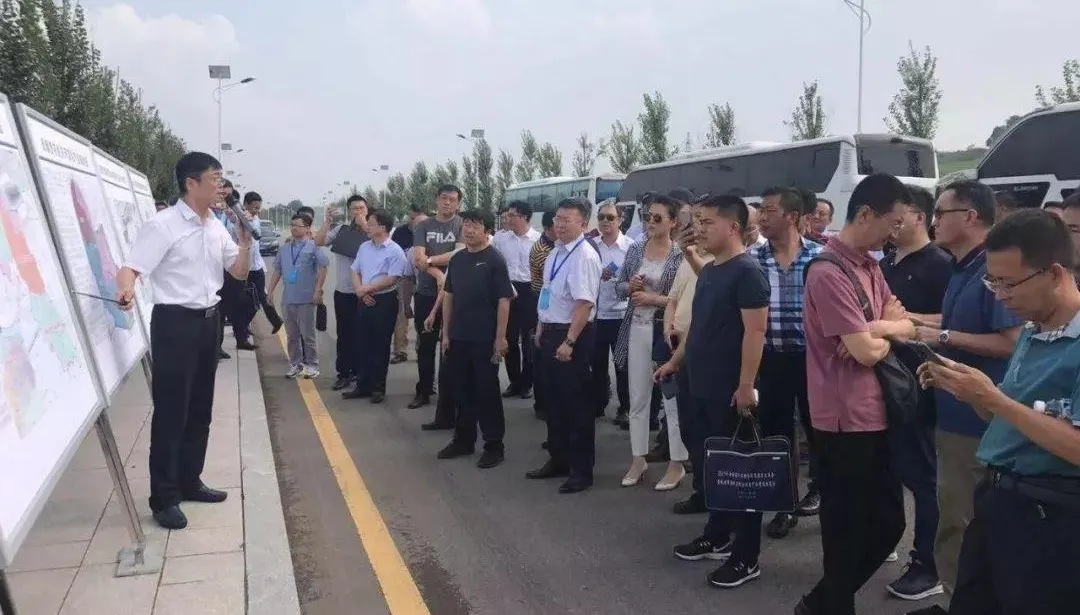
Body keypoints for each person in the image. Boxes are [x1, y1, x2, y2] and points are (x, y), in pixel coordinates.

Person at [918, 209, 1080, 615]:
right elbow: (1005, 420)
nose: (1000, 295)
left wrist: (994, 399)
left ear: (1054, 273)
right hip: (999, 501)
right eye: (992, 281)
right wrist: (968, 389)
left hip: (1049, 515)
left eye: (1009, 283)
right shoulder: (1035, 327)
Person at [796, 173, 915, 615]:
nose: (895, 233)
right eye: (893, 222)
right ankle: (832, 606)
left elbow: (903, 323)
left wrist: (879, 327)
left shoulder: (870, 266)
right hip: (842, 418)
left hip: (877, 411)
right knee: (844, 529)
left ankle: (819, 603)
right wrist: (884, 332)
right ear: (865, 214)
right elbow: (864, 352)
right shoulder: (828, 272)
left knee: (889, 522)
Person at [116, 152, 253, 530]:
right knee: (171, 412)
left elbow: (238, 272)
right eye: (214, 179)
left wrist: (244, 242)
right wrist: (125, 290)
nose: (221, 186)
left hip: (209, 323)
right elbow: (131, 268)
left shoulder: (216, 226)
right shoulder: (163, 225)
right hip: (175, 325)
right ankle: (164, 498)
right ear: (191, 183)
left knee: (199, 409)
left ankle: (190, 480)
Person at [912, 180, 1023, 600]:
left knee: (960, 522)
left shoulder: (991, 271)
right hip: (956, 413)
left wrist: (942, 337)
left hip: (975, 420)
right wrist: (918, 324)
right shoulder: (962, 266)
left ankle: (961, 601)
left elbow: (1010, 341)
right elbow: (959, 322)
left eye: (941, 213)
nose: (934, 222)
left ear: (971, 217)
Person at [655, 194, 769, 588]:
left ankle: (746, 556)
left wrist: (746, 385)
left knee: (739, 472)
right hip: (698, 383)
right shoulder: (712, 271)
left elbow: (755, 332)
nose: (699, 230)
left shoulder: (748, 272)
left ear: (733, 227)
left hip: (728, 389)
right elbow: (698, 328)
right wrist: (676, 362)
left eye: (707, 223)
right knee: (712, 467)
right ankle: (718, 534)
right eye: (698, 222)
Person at [877, 185, 952, 601]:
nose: (891, 223)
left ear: (919, 216)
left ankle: (928, 563)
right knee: (888, 467)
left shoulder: (941, 264)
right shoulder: (885, 262)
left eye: (898, 214)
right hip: (883, 380)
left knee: (924, 477)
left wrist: (900, 322)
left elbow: (952, 320)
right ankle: (885, 539)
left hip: (920, 382)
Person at [747, 187, 825, 541]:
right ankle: (784, 504)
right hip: (771, 358)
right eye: (761, 211)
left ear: (792, 216)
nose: (761, 217)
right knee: (777, 435)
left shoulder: (820, 258)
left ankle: (821, 490)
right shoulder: (753, 260)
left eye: (769, 210)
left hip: (814, 359)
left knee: (818, 429)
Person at [526, 197, 602, 494]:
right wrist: (541, 326)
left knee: (576, 405)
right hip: (550, 331)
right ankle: (558, 459)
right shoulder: (555, 252)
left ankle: (581, 470)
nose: (559, 224)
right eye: (557, 219)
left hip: (572, 336)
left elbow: (585, 303)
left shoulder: (584, 255)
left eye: (566, 220)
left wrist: (569, 341)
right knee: (553, 402)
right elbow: (548, 293)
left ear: (583, 224)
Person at [613, 194, 683, 489]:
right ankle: (638, 459)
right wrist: (629, 286)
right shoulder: (635, 249)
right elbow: (618, 288)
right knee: (638, 397)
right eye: (646, 216)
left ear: (673, 222)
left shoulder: (681, 255)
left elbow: (684, 299)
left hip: (665, 333)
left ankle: (677, 463)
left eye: (657, 218)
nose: (650, 222)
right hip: (636, 328)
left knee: (671, 401)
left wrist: (654, 299)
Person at [435, 209, 514, 469]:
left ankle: (494, 445)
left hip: (484, 339)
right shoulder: (458, 259)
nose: (468, 230)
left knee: (487, 392)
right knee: (461, 390)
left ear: (487, 231)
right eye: (466, 225)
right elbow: (449, 295)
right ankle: (463, 440)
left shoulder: (494, 260)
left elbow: (504, 300)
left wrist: (500, 338)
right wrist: (446, 333)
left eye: (475, 226)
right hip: (459, 337)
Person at [410, 185, 465, 410]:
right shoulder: (423, 226)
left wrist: (431, 261)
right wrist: (438, 274)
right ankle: (424, 390)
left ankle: (448, 395)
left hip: (454, 295)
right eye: (444, 198)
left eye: (452, 199)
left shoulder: (462, 225)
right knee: (425, 344)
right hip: (426, 293)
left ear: (458, 203)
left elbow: (458, 254)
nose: (447, 203)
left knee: (449, 345)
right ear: (437, 200)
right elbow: (418, 258)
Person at [345, 208, 407, 403]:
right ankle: (362, 385)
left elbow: (392, 278)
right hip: (364, 299)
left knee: (380, 345)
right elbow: (355, 270)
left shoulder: (395, 250)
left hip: (384, 301)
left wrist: (367, 289)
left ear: (383, 227)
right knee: (362, 343)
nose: (367, 227)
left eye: (371, 224)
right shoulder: (364, 247)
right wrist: (360, 291)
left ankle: (377, 388)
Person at [315, 196, 368, 391]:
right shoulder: (341, 230)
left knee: (363, 335)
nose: (358, 212)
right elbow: (319, 241)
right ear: (349, 211)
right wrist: (327, 222)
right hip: (344, 291)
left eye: (361, 208)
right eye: (354, 209)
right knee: (344, 335)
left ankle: (361, 373)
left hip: (367, 292)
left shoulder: (374, 231)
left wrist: (365, 226)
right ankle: (344, 373)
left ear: (367, 209)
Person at [266, 214, 328, 378]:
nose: (293, 228)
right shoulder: (285, 248)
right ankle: (295, 364)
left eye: (297, 225)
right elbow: (278, 270)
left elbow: (323, 267)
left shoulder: (313, 247)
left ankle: (312, 365)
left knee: (308, 335)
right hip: (288, 299)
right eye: (292, 225)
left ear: (307, 228)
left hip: (306, 299)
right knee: (292, 335)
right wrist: (270, 291)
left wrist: (318, 290)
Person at [492, 200, 541, 399]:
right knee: (509, 338)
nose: (508, 219)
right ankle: (515, 381)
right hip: (508, 291)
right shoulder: (501, 239)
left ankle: (528, 382)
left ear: (524, 217)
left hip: (531, 291)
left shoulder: (538, 240)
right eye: (507, 215)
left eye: (512, 216)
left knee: (529, 339)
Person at [590, 202, 632, 421]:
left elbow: (637, 280)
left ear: (620, 220)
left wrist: (617, 279)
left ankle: (625, 407)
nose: (605, 221)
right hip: (596, 314)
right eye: (601, 217)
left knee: (622, 364)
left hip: (621, 315)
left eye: (610, 217)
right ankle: (598, 403)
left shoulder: (631, 247)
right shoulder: (591, 246)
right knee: (596, 364)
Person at [230, 191, 283, 349]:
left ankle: (247, 331)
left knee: (259, 299)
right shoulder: (238, 221)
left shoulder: (256, 220)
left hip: (256, 267)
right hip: (242, 268)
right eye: (254, 208)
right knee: (246, 302)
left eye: (259, 208)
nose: (257, 211)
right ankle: (241, 336)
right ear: (245, 205)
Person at [528, 211, 558, 420]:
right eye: (558, 225)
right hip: (542, 301)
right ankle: (542, 404)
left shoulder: (553, 246)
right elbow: (554, 280)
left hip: (547, 302)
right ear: (549, 228)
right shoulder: (542, 250)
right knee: (542, 356)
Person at [389, 204, 425, 364]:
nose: (412, 222)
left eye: (415, 219)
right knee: (402, 313)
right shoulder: (400, 232)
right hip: (404, 276)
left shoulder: (430, 233)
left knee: (423, 316)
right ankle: (400, 350)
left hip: (425, 279)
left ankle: (421, 349)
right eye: (411, 218)